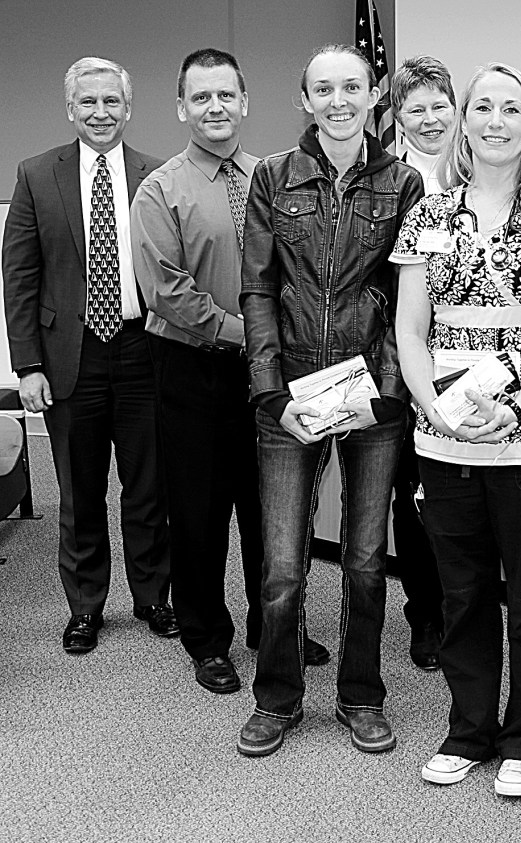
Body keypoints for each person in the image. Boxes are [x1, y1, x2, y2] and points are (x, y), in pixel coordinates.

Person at [393, 62, 521, 797]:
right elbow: (410, 330)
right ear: (463, 120)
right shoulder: (429, 214)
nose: (494, 120)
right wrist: (434, 407)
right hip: (446, 437)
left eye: (510, 108)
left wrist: (513, 408)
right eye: (482, 106)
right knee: (464, 592)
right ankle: (470, 729)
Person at [235, 43, 423, 757]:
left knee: (366, 559)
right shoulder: (272, 176)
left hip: (370, 396)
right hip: (290, 394)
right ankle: (277, 697)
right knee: (283, 565)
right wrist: (268, 391)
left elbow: (410, 298)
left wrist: (390, 392)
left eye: (352, 87)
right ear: (304, 100)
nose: (338, 100)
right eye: (323, 89)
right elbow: (257, 288)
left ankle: (361, 694)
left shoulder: (403, 183)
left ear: (374, 96)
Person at [131, 48, 329, 696]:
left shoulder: (273, 178)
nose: (215, 107)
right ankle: (206, 638)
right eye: (201, 97)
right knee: (200, 513)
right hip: (196, 368)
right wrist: (252, 333)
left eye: (226, 95)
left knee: (272, 506)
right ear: (181, 108)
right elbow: (167, 292)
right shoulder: (160, 189)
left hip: (272, 372)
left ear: (245, 102)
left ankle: (272, 626)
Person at [3, 56, 175, 654]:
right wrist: (27, 365)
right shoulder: (35, 174)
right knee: (78, 492)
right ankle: (85, 608)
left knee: (148, 487)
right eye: (88, 102)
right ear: (70, 108)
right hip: (67, 358)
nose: (100, 113)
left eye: (111, 101)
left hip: (143, 350)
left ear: (128, 108)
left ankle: (152, 597)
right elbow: (20, 276)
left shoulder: (158, 174)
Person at [386, 54, 457, 670]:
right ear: (398, 117)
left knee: (465, 493)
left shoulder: (484, 171)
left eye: (440, 105)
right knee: (412, 497)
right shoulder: (387, 181)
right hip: (402, 361)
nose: (431, 119)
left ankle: (465, 606)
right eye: (417, 109)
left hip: (474, 359)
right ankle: (425, 613)